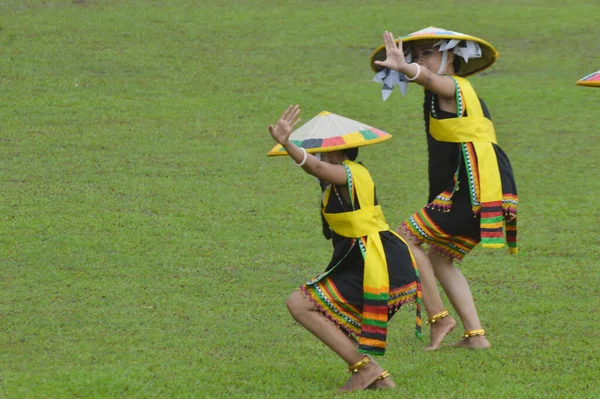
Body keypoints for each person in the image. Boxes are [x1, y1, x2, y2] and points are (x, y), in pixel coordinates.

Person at [370, 27, 518, 350]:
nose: (421, 59)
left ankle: (440, 318)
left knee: (406, 238)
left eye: (429, 53)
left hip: (476, 190)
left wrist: (408, 68)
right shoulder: (446, 93)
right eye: (418, 54)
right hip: (482, 189)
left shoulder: (451, 86)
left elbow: (430, 79)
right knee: (439, 257)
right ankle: (476, 337)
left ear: (450, 56)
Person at [268, 105, 422, 392]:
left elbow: (315, 167)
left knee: (299, 303)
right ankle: (377, 376)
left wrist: (288, 143)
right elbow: (317, 172)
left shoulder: (350, 173)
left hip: (377, 261)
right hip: (366, 260)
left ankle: (366, 369)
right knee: (322, 309)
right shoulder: (337, 178)